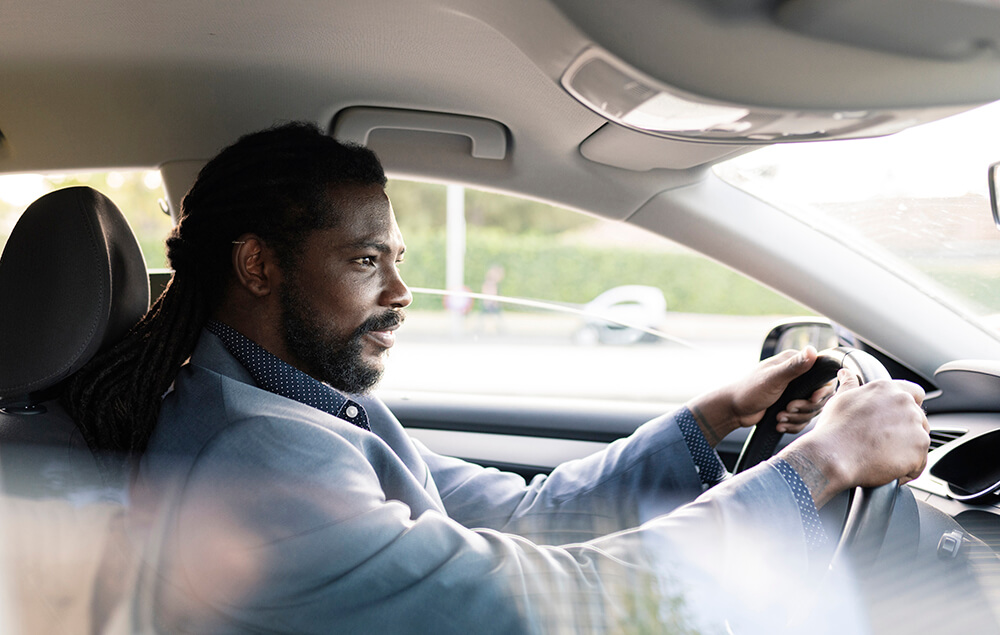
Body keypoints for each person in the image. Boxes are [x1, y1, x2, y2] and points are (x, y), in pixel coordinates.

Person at [63, 122, 930, 633]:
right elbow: (551, 598)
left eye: (397, 260)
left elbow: (521, 514)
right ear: (258, 266)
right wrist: (820, 465)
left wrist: (713, 416)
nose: (401, 293)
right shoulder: (260, 461)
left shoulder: (297, 407)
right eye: (367, 260)